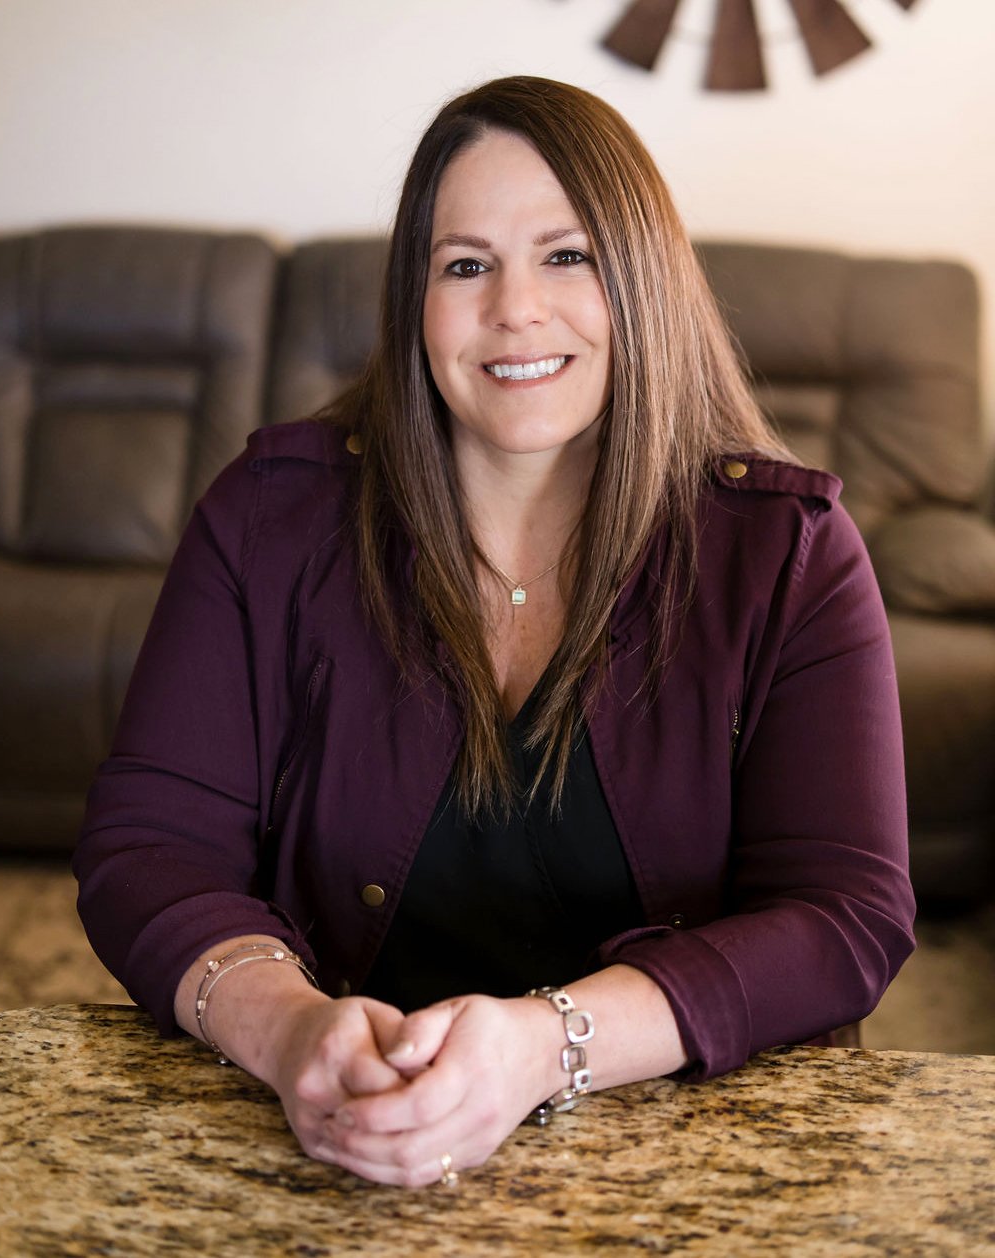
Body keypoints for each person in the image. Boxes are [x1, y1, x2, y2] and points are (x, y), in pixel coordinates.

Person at [74, 75, 915, 1188]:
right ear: (412, 303)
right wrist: (287, 1031)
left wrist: (544, 1045)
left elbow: (846, 913)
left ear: (643, 281)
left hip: (676, 1161)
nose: (515, 308)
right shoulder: (268, 516)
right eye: (464, 265)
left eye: (566, 257)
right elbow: (147, 847)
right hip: (338, 1144)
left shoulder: (789, 550)